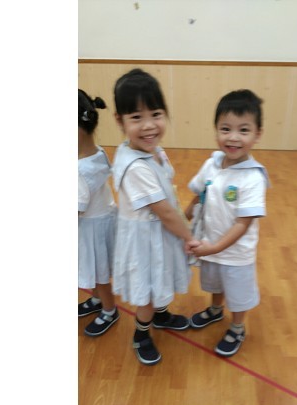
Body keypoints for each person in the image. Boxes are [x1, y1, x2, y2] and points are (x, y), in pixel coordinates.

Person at [111, 69, 199, 365]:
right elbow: (164, 212)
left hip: (159, 232)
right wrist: (189, 237)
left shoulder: (154, 152)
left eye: (156, 114)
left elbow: (167, 203)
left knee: (159, 278)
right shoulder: (135, 166)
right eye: (137, 117)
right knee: (147, 291)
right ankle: (141, 334)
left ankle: (160, 316)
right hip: (145, 239)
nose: (149, 125)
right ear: (120, 120)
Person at [185, 89, 269, 357]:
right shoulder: (211, 164)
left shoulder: (253, 178)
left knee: (238, 293)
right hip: (210, 243)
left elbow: (243, 224)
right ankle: (215, 310)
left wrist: (215, 248)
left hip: (235, 253)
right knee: (215, 283)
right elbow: (199, 193)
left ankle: (237, 327)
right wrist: (185, 217)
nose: (233, 137)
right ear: (216, 131)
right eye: (225, 129)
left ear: (257, 134)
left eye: (243, 130)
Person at [78, 88, 120, 336]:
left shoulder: (79, 170)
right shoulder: (99, 151)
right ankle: (96, 299)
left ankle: (109, 309)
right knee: (96, 270)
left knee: (100, 275)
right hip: (103, 220)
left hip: (92, 228)